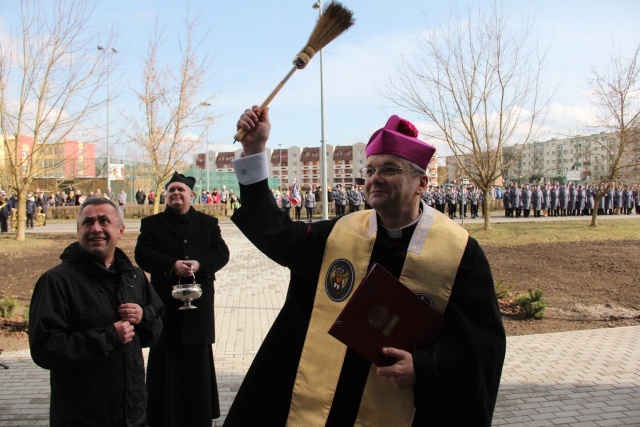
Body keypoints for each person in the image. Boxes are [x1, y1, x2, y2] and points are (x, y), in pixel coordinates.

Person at [226, 106, 506, 426]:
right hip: (326, 405)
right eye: (370, 171)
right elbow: (274, 232)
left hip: (404, 407)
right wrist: (253, 150)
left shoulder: (458, 253)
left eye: (389, 169)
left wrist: (425, 366)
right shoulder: (340, 235)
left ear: (422, 183)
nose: (375, 178)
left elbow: (483, 345)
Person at [28, 197, 164, 427]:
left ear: (120, 230)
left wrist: (144, 317)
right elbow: (44, 348)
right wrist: (108, 336)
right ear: (78, 231)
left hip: (133, 411)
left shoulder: (134, 277)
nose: (96, 229)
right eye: (88, 222)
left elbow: (156, 331)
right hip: (82, 415)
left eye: (104, 221)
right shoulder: (57, 281)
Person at [135, 171, 230, 427]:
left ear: (191, 195)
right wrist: (171, 265)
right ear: (166, 196)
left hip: (198, 307)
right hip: (165, 305)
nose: (176, 194)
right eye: (171, 190)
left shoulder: (208, 223)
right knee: (164, 357)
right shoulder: (151, 224)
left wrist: (200, 265)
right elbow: (142, 254)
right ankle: (163, 415)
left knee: (197, 360)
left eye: (181, 190)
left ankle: (198, 415)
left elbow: (221, 253)